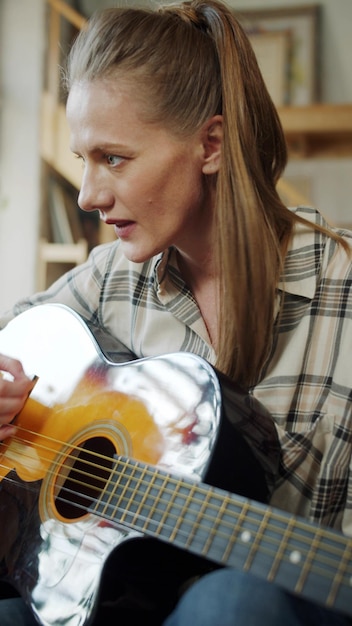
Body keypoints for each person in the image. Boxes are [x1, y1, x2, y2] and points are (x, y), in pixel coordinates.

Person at [0, 1, 351, 624]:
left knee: (231, 602)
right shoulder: (111, 278)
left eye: (114, 158)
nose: (87, 196)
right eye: (83, 159)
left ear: (209, 145)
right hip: (115, 604)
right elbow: (17, 339)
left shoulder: (341, 291)